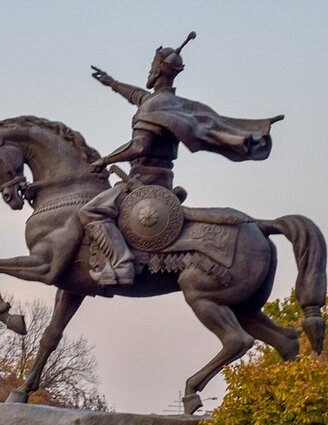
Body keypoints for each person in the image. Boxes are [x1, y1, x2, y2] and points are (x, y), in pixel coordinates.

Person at [81, 32, 283, 286]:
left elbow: (139, 145)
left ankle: (122, 265)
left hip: (145, 181)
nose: (149, 71)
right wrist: (112, 83)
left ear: (157, 71)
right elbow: (138, 97)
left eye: (152, 67)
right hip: (162, 178)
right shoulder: (168, 102)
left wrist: (105, 160)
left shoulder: (153, 106)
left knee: (92, 210)